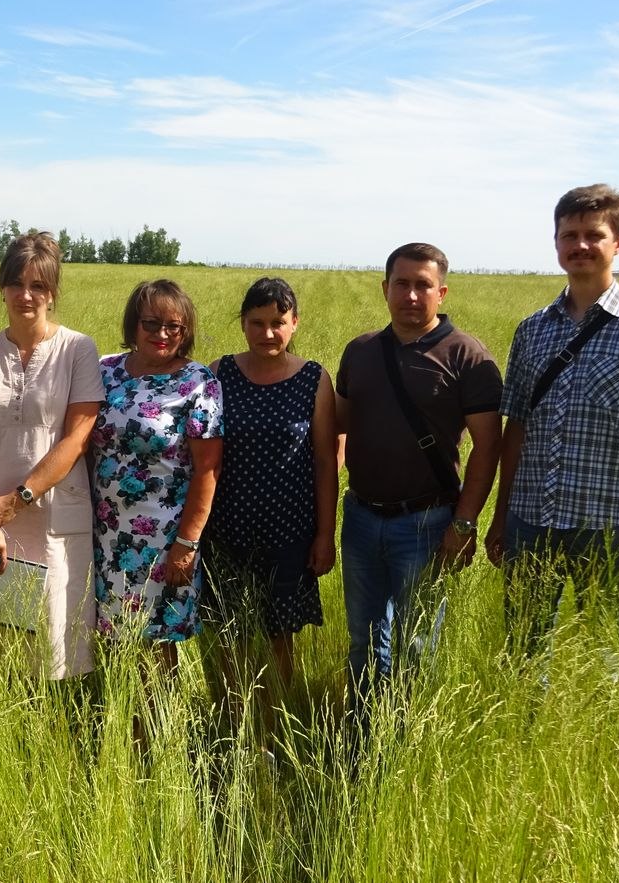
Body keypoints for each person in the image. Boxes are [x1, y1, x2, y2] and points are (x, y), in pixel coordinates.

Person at [484, 184, 619, 661]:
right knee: (523, 650)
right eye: (570, 235)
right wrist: (501, 516)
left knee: (608, 655)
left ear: (617, 243)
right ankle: (525, 733)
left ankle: (611, 738)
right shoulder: (532, 329)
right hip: (531, 518)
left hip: (608, 523)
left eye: (593, 235)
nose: (580, 245)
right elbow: (515, 427)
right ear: (557, 242)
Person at [336, 242, 501, 723]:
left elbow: (488, 447)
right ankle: (362, 731)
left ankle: (404, 737)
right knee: (364, 639)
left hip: (428, 523)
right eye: (402, 284)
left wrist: (465, 524)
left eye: (422, 285)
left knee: (416, 645)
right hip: (362, 519)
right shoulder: (361, 351)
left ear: (441, 292)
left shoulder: (468, 355)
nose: (411, 295)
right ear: (385, 288)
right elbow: (341, 427)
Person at [0, 233, 104, 680]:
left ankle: (54, 743)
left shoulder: (78, 349)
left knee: (58, 654)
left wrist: (14, 503)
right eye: (16, 283)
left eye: (38, 285)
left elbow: (76, 439)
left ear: (53, 292)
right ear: (2, 288)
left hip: (54, 519)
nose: (26, 295)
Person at [202, 277, 336, 745]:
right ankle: (229, 728)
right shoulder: (218, 373)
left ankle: (273, 732)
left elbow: (324, 461)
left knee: (280, 638)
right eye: (257, 323)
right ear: (243, 324)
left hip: (290, 532)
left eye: (278, 322)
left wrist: (324, 535)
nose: (267, 333)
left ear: (294, 324)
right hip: (226, 529)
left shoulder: (314, 379)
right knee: (230, 637)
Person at [93, 279, 223, 668]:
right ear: (134, 323)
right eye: (151, 323)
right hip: (104, 532)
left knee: (158, 645)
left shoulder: (199, 384)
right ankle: (120, 721)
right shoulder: (104, 370)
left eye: (174, 327)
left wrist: (187, 544)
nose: (162, 334)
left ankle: (156, 728)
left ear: (186, 332)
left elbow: (208, 468)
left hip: (164, 539)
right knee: (112, 641)